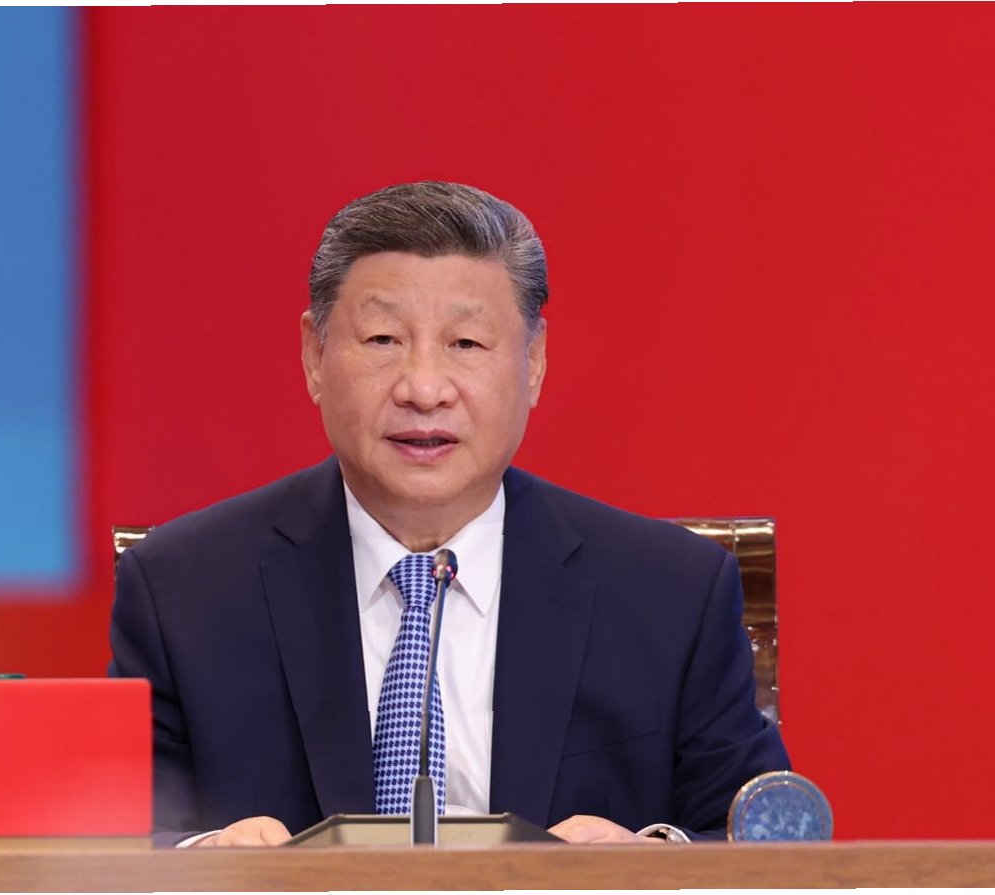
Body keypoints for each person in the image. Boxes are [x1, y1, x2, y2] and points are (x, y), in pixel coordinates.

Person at [109, 181, 789, 848]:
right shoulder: (182, 590)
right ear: (315, 355)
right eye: (383, 339)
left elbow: (763, 840)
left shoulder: (670, 593)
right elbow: (107, 842)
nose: (424, 388)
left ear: (533, 362)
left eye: (465, 344)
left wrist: (650, 858)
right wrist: (202, 863)